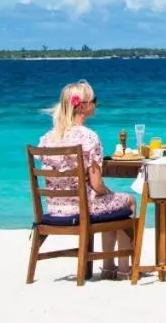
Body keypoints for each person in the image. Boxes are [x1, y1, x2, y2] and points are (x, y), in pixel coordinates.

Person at [38, 79, 135, 280]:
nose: (96, 104)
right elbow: (97, 185)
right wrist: (108, 192)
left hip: (55, 208)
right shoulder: (88, 137)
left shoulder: (48, 138)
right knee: (127, 201)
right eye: (94, 100)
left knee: (112, 203)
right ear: (82, 106)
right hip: (83, 208)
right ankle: (123, 268)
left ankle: (109, 267)